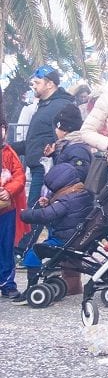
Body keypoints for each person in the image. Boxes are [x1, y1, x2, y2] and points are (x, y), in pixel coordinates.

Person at [14, 162, 93, 303]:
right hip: (76, 238)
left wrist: (25, 214)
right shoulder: (82, 193)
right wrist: (50, 202)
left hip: (64, 241)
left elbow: (46, 215)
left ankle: (31, 287)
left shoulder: (66, 200)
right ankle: (52, 272)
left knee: (34, 252)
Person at [11, 66, 74, 207]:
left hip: (47, 168)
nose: (34, 86)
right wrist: (10, 147)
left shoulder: (62, 106)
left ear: (50, 84)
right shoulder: (45, 105)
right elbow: (37, 140)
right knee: (36, 212)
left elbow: (69, 137)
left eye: (38, 83)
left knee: (36, 213)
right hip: (38, 167)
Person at [0, 124, 27, 299]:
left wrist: (8, 190)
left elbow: (20, 177)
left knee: (6, 246)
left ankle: (7, 283)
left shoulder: (9, 153)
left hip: (5, 209)